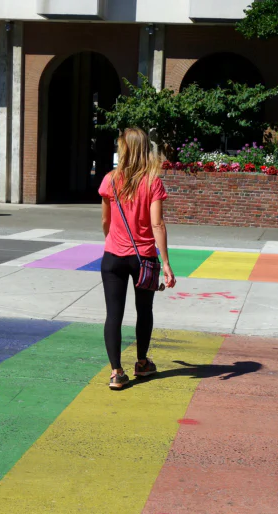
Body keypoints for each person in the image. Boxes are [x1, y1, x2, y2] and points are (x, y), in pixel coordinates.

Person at [98, 126, 176, 391]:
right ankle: (142, 363)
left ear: (124, 149)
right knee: (144, 311)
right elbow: (158, 224)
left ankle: (116, 373)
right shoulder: (152, 181)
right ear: (144, 149)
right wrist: (165, 263)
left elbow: (105, 221)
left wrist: (114, 241)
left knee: (113, 315)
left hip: (113, 256)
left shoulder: (110, 179)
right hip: (143, 258)